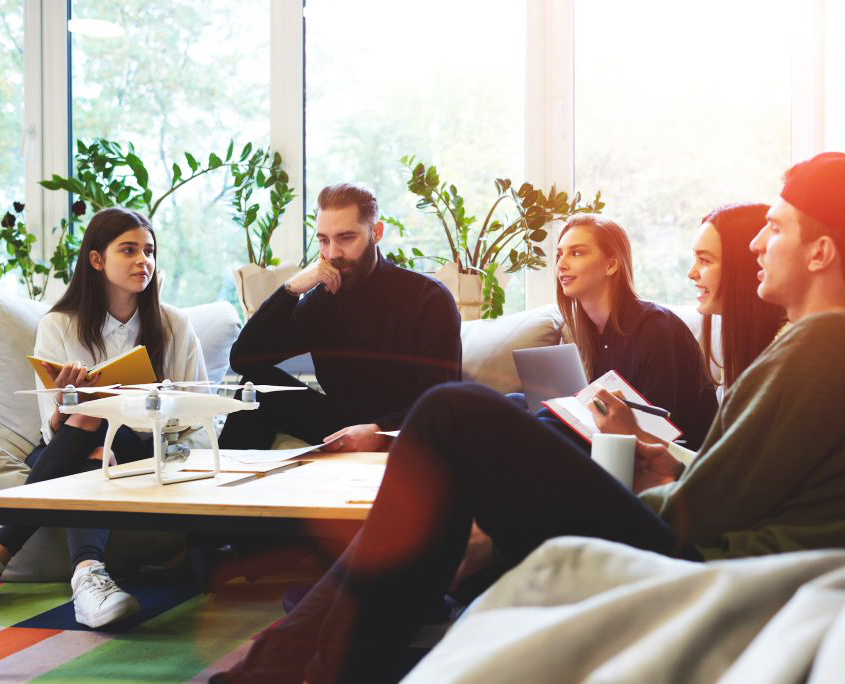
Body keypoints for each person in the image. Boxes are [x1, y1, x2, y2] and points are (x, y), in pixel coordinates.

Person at [212, 152, 845, 684]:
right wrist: (658, 466)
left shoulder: (821, 345)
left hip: (698, 554)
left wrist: (638, 485)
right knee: (474, 435)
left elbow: (707, 508)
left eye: (776, 228)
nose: (757, 244)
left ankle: (285, 665)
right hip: (700, 532)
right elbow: (749, 482)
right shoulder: (811, 343)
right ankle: (299, 662)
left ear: (820, 251)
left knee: (450, 412)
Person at [0, 207, 207, 629]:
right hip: (77, 444)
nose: (143, 261)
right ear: (96, 259)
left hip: (148, 443)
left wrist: (157, 402)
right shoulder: (60, 324)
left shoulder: (174, 324)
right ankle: (88, 576)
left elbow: (199, 410)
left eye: (149, 251)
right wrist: (72, 405)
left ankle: (10, 549)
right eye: (128, 250)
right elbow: (51, 426)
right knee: (89, 433)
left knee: (94, 434)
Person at [218, 182, 462, 453]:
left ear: (376, 233)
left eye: (346, 238)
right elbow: (245, 360)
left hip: (401, 429)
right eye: (324, 240)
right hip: (338, 425)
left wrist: (379, 431)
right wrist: (291, 289)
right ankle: (224, 491)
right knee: (256, 386)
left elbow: (441, 401)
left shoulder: (428, 299)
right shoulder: (323, 299)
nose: (333, 254)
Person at [535, 214, 717, 449]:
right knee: (516, 403)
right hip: (611, 446)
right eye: (560, 254)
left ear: (611, 264)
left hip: (669, 459)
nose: (561, 264)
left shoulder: (655, 328)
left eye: (577, 253)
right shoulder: (584, 334)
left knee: (545, 422)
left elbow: (657, 434)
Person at [689, 203, 785, 388]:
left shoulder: (782, 354)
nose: (691, 272)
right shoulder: (744, 341)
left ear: (744, 269)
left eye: (704, 260)